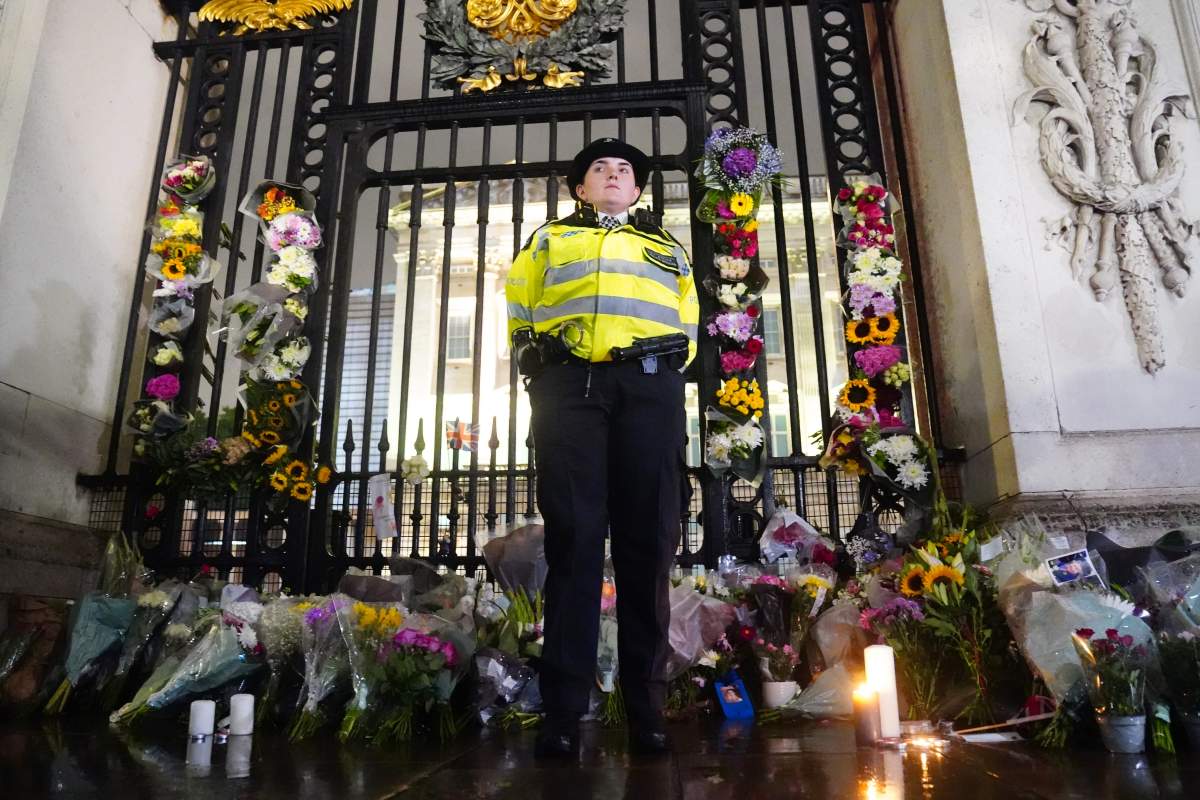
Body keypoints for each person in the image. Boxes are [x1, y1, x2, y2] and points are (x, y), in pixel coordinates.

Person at [505, 138, 699, 757]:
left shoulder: (667, 246)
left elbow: (687, 316)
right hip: (570, 387)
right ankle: (564, 707)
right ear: (579, 187)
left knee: (648, 544)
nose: (613, 176)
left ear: (638, 189)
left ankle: (646, 704)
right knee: (574, 541)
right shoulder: (549, 240)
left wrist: (670, 370)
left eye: (625, 171)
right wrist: (532, 358)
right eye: (600, 169)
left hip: (648, 388)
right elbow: (520, 299)